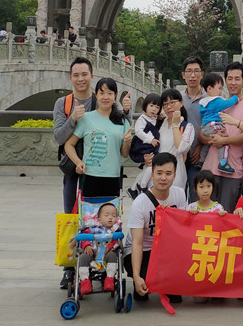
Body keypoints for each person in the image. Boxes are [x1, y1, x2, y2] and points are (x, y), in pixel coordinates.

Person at [54, 57, 130, 288]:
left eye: (84, 74)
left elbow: (124, 151)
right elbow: (63, 140)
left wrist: (127, 138)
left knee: (110, 220)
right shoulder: (70, 107)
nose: (80, 79)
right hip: (86, 176)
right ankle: (75, 268)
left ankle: (107, 266)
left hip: (111, 178)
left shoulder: (119, 117)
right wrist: (78, 161)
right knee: (81, 220)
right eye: (76, 75)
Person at [124, 152, 187, 303]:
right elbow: (137, 243)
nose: (163, 178)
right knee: (144, 288)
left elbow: (181, 231)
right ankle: (139, 277)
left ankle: (165, 279)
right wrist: (137, 276)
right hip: (142, 250)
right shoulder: (140, 203)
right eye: (159, 173)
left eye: (168, 173)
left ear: (174, 175)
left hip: (165, 249)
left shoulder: (179, 194)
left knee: (175, 297)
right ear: (152, 175)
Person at [64, 77, 132, 198]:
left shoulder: (122, 121)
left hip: (113, 176)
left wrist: (127, 142)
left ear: (115, 95)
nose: (105, 97)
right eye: (102, 93)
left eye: (110, 93)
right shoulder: (86, 118)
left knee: (110, 210)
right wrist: (78, 163)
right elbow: (69, 144)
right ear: (96, 95)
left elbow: (124, 153)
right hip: (90, 175)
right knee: (89, 209)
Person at [201, 62, 243, 213]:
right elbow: (201, 133)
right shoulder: (216, 102)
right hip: (210, 169)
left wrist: (224, 141)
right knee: (206, 216)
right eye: (229, 78)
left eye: (237, 79)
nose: (233, 82)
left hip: (232, 171)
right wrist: (211, 139)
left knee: (227, 215)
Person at [198, 73, 239, 174]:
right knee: (223, 139)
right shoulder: (216, 100)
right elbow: (227, 103)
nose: (221, 91)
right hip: (213, 124)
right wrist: (236, 97)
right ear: (209, 88)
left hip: (205, 126)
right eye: (219, 88)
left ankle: (201, 160)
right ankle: (223, 163)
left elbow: (201, 114)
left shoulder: (204, 102)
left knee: (209, 142)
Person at [77, 203, 120, 296]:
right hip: (92, 253)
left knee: (112, 255)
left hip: (106, 254)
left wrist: (109, 247)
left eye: (114, 216)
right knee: (83, 257)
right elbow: (84, 237)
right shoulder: (92, 228)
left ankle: (109, 279)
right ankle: (85, 281)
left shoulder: (114, 231)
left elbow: (115, 242)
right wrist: (87, 246)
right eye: (106, 215)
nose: (110, 218)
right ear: (99, 219)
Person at [157, 88, 194, 190]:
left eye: (172, 102)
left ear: (181, 103)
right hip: (157, 173)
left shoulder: (187, 127)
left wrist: (175, 125)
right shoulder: (159, 124)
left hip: (176, 174)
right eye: (165, 104)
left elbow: (181, 148)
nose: (169, 107)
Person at [180, 56, 206, 200]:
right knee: (178, 194)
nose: (193, 75)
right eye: (189, 71)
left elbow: (213, 125)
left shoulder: (209, 99)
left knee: (196, 196)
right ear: (183, 75)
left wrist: (201, 145)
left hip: (200, 157)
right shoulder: (177, 99)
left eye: (196, 71)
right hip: (179, 155)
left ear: (202, 74)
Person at [127, 93, 162, 197]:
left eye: (157, 107)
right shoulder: (142, 118)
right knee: (152, 167)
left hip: (148, 147)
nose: (154, 109)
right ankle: (142, 186)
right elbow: (138, 131)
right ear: (145, 105)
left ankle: (133, 188)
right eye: (151, 105)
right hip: (142, 147)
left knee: (147, 169)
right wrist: (151, 140)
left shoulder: (153, 119)